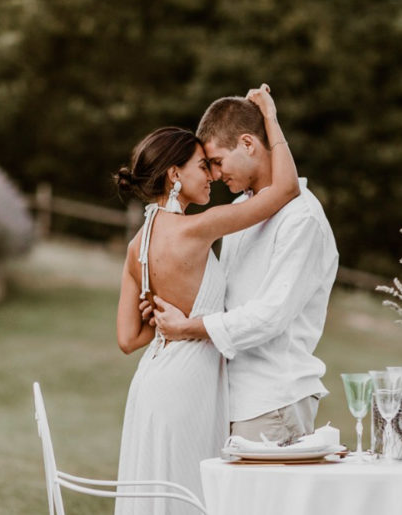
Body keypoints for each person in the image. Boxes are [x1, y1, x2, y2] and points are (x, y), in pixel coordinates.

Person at [113, 84, 298, 515]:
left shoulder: (136, 245)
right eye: (202, 166)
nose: (212, 175)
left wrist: (156, 320)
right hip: (188, 386)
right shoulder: (197, 229)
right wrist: (269, 117)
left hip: (152, 381)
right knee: (191, 496)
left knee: (159, 493)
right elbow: (286, 189)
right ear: (175, 175)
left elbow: (127, 338)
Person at [150, 94, 338, 445]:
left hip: (272, 401)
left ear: (248, 143)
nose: (215, 175)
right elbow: (227, 298)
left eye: (218, 161)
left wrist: (186, 327)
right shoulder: (241, 210)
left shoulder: (302, 219)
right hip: (232, 398)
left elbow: (270, 315)